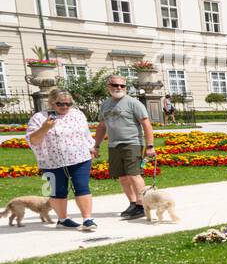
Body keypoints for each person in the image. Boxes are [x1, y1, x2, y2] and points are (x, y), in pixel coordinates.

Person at [26, 90, 98, 231]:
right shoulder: (39, 118)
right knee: (57, 190)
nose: (65, 107)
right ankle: (63, 219)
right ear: (52, 103)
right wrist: (45, 128)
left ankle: (87, 219)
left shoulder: (77, 114)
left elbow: (85, 133)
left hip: (80, 158)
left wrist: (91, 147)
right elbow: (33, 140)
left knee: (82, 187)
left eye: (68, 104)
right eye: (60, 104)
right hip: (50, 162)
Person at [94, 74, 155, 220]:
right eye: (115, 85)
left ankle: (142, 204)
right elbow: (102, 126)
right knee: (122, 177)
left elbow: (146, 124)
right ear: (109, 87)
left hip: (132, 143)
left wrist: (150, 146)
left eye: (122, 86)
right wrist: (96, 146)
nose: (119, 88)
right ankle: (133, 203)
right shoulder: (105, 104)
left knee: (134, 174)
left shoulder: (133, 103)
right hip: (114, 145)